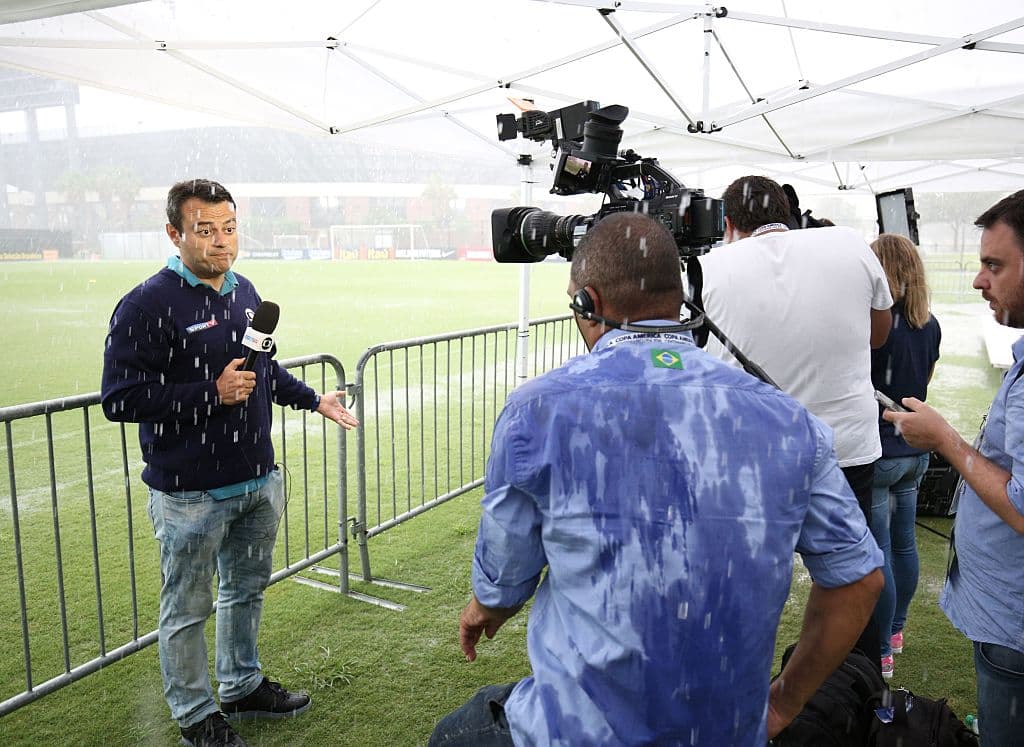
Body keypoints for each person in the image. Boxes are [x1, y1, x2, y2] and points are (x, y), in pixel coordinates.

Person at [429, 212, 883, 746]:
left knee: (452, 736)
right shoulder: (790, 422)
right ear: (682, 300)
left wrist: (485, 607)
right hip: (729, 731)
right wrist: (782, 700)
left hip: (577, 733)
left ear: (587, 303)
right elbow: (859, 579)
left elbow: (504, 582)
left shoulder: (538, 411)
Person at [100, 179, 359, 747]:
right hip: (190, 494)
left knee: (245, 592)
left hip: (256, 482)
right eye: (206, 230)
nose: (222, 242)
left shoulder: (245, 291)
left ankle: (240, 686)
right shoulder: (146, 304)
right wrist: (208, 394)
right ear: (175, 233)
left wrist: (315, 399)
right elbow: (120, 398)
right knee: (188, 609)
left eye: (230, 228)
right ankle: (195, 715)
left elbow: (262, 370)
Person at [885, 190, 1024, 746]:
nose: (978, 281)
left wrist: (943, 437)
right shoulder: (934, 325)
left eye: (994, 265)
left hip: (1013, 629)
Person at [867, 233, 942, 681]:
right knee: (903, 545)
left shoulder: (875, 327)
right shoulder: (929, 323)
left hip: (881, 454)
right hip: (915, 453)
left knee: (879, 553)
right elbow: (925, 381)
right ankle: (896, 632)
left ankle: (882, 649)